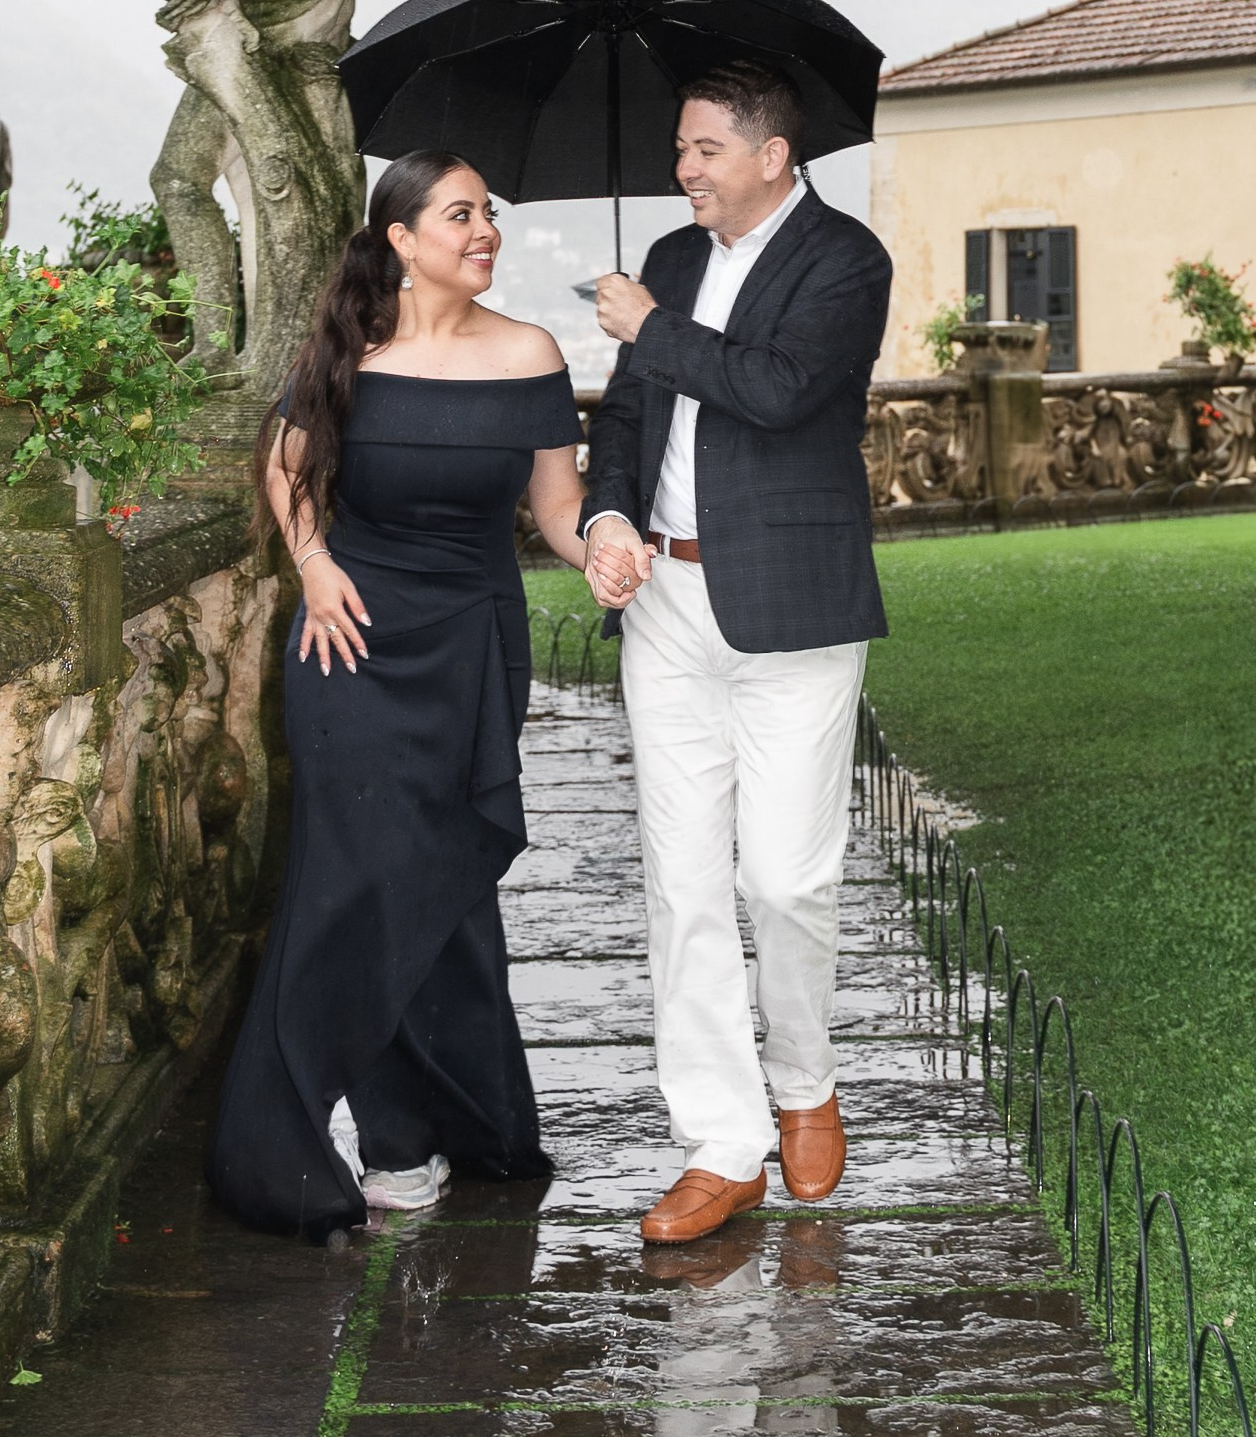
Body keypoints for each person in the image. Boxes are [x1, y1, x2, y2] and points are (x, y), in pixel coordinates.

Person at [207, 151, 591, 1238]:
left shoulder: (531, 352)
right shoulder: (349, 348)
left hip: (471, 645)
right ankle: (373, 1139)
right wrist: (314, 562)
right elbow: (283, 465)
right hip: (348, 642)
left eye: (489, 214)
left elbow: (558, 507)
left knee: (447, 883)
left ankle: (458, 1125)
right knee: (355, 880)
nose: (485, 231)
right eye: (461, 214)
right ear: (400, 239)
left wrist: (602, 542)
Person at [581, 63, 892, 1244]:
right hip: (665, 599)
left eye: (703, 146)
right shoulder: (662, 259)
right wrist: (609, 520)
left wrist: (651, 330)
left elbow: (778, 390)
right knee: (682, 881)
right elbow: (623, 417)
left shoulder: (844, 259)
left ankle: (805, 1075)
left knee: (786, 877)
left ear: (771, 153)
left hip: (793, 608)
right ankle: (721, 1141)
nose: (684, 168)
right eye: (678, 147)